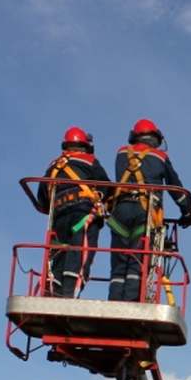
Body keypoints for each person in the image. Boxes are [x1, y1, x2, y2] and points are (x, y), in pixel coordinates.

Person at [107, 118, 191, 301]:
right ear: (156, 138)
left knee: (119, 263)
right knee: (138, 260)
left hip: (119, 212)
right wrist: (188, 214)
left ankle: (115, 301)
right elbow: (176, 190)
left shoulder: (121, 153)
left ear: (134, 136)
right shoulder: (160, 157)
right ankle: (131, 302)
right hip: (144, 213)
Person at [35, 127, 109, 298]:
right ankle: (69, 295)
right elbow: (107, 187)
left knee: (59, 253)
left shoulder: (53, 166)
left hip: (59, 217)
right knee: (79, 253)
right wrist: (101, 201)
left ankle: (52, 292)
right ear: (85, 145)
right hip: (83, 215)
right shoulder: (90, 161)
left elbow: (42, 200)